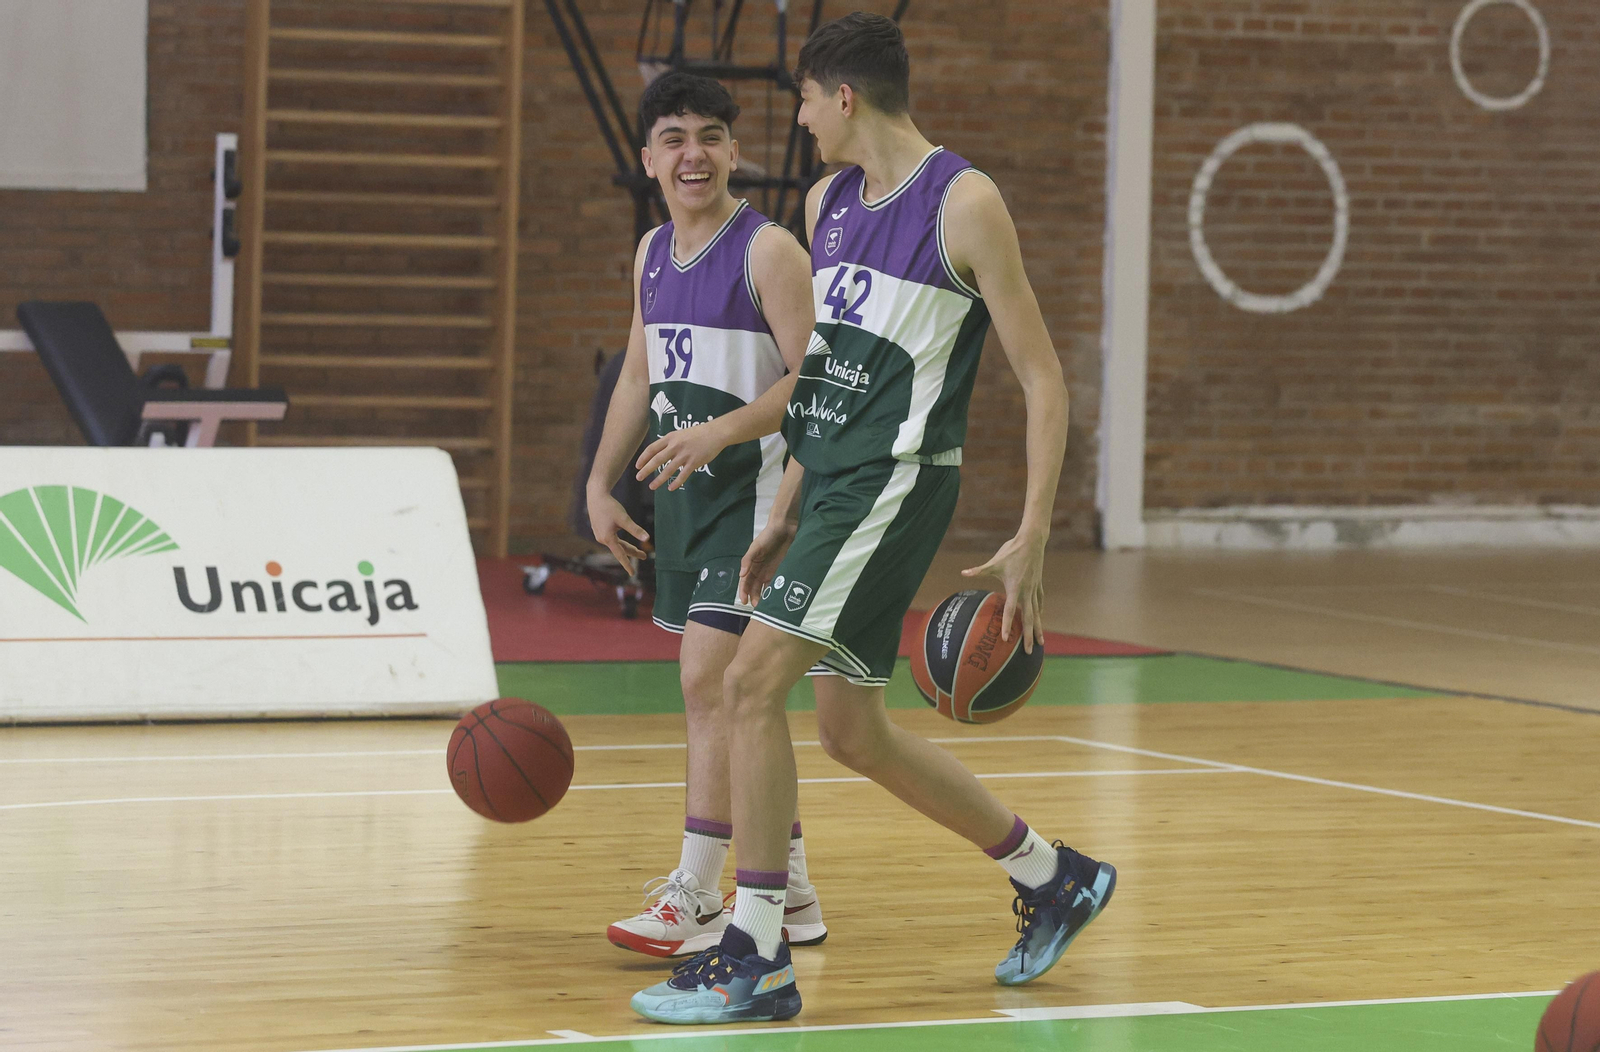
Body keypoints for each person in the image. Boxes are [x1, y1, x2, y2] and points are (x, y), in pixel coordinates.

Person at [630, 13, 1116, 1024]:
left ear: (843, 96)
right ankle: (1052, 870)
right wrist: (783, 508)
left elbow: (1042, 376)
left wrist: (1031, 532)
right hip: (834, 481)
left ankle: (755, 950)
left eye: (804, 101)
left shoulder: (964, 203)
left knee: (748, 678)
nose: (800, 122)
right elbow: (828, 380)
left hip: (896, 481)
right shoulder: (827, 201)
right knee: (852, 731)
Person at [586, 71, 827, 960]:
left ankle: (699, 893)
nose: (695, 154)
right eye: (676, 138)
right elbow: (640, 375)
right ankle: (792, 887)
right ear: (650, 158)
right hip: (689, 508)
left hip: (759, 502)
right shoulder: (652, 252)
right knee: (734, 699)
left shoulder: (769, 251)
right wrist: (599, 484)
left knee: (710, 685)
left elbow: (818, 382)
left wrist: (725, 432)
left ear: (735, 150)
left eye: (712, 137)